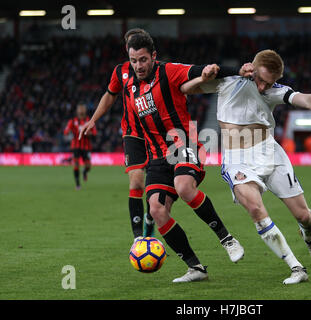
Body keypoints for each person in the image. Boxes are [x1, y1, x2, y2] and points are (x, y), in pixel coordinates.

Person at [180, 49, 311, 284]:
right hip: (237, 159)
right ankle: (297, 268)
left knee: (304, 216)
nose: (263, 87)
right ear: (251, 68)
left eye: (269, 82)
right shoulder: (227, 81)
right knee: (254, 208)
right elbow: (186, 89)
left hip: (270, 154)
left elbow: (307, 99)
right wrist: (206, 75)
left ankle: (309, 236)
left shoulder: (274, 91)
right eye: (260, 80)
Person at [121, 32, 252, 282]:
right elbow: (134, 127)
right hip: (157, 156)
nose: (138, 66)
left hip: (183, 142)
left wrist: (237, 70)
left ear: (153, 57)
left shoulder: (168, 71)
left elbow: (202, 71)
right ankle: (195, 267)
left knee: (183, 187)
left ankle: (227, 238)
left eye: (143, 60)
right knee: (157, 210)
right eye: (133, 60)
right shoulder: (129, 89)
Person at [79, 29, 155, 240]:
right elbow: (109, 96)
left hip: (158, 133)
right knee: (137, 182)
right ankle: (138, 238)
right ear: (127, 48)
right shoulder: (120, 71)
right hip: (133, 134)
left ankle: (151, 217)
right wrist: (93, 120)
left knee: (155, 188)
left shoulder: (156, 69)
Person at [64, 104, 96, 189]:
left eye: (83, 108)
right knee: (76, 164)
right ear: (77, 110)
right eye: (79, 108)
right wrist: (68, 133)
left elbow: (94, 133)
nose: (81, 110)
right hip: (75, 146)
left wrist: (89, 133)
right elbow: (66, 131)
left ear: (85, 110)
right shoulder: (73, 121)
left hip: (86, 146)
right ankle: (78, 184)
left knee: (88, 166)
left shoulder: (89, 120)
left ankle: (85, 172)